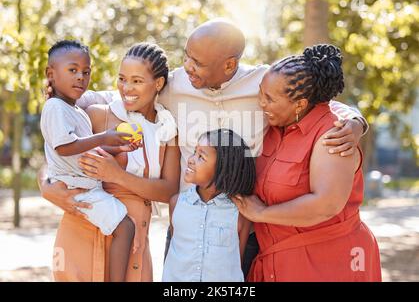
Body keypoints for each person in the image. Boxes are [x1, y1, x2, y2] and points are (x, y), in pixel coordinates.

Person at [40, 19, 368, 278]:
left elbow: (315, 103)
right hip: (185, 220)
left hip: (242, 222)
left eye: (196, 62)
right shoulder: (173, 85)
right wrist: (48, 168)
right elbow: (109, 99)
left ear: (229, 65)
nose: (187, 67)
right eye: (186, 56)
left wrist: (355, 121)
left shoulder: (262, 83)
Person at [232, 44, 382, 282]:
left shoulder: (333, 134)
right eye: (260, 93)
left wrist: (262, 213)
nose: (260, 103)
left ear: (300, 104)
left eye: (269, 98)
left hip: (328, 263)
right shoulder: (272, 125)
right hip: (275, 262)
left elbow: (326, 205)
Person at [38, 42, 180, 281]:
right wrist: (46, 185)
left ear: (158, 84)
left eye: (137, 81)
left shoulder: (167, 129)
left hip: (131, 238)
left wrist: (117, 175)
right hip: (82, 225)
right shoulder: (96, 112)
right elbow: (57, 149)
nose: (126, 88)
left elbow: (170, 190)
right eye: (122, 78)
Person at [41, 40, 137, 282]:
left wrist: (116, 146)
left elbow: (83, 149)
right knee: (125, 228)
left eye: (86, 71)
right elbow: (65, 148)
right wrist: (104, 136)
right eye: (72, 70)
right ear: (50, 74)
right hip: (78, 189)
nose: (81, 77)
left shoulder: (76, 111)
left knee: (121, 228)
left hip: (86, 186)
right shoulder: (54, 107)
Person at [162, 129, 255, 282]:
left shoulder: (240, 212)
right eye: (194, 152)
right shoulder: (176, 203)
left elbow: (237, 261)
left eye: (201, 157)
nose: (190, 159)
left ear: (223, 170)